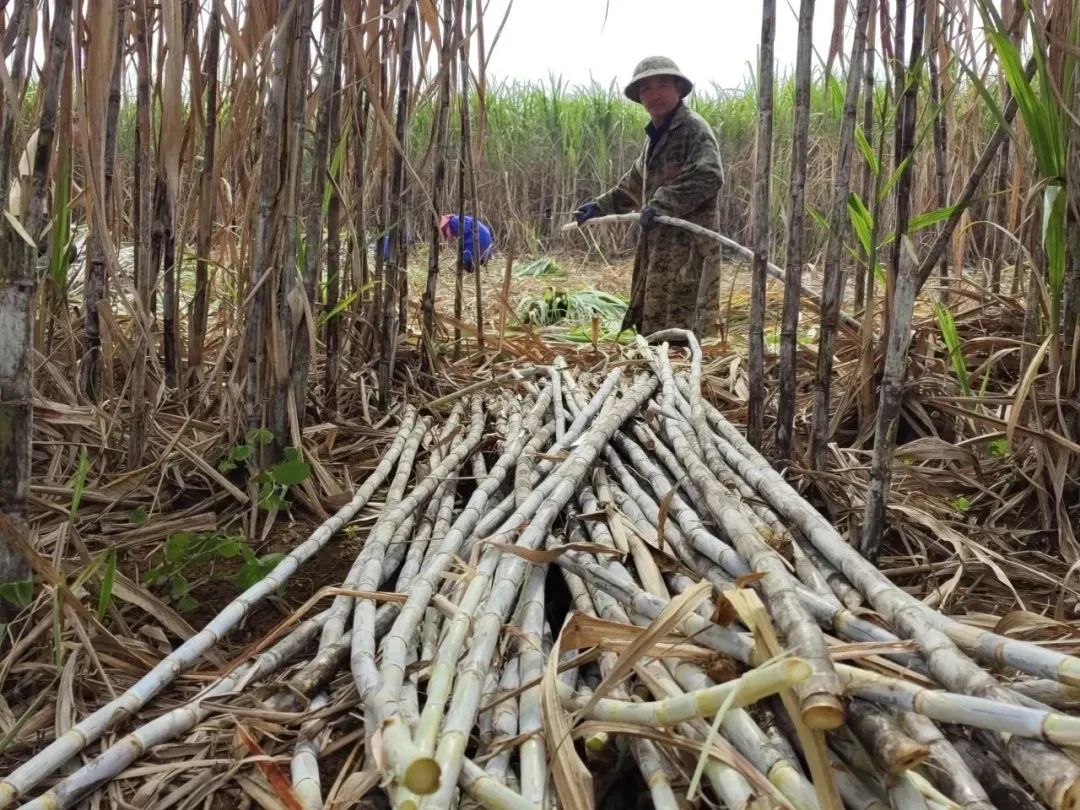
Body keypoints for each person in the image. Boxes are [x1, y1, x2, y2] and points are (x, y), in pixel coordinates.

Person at [573, 56, 724, 337]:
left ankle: (681, 375)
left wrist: (662, 203)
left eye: (662, 85)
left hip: (687, 250)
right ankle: (655, 368)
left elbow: (709, 175)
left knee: (685, 324)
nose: (655, 94)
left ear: (678, 88)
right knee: (655, 319)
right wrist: (600, 206)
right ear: (640, 97)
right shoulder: (654, 136)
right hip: (657, 248)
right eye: (646, 89)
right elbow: (633, 184)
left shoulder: (693, 128)